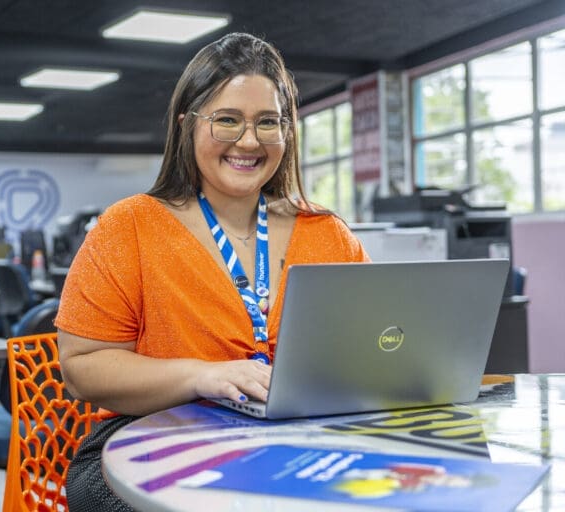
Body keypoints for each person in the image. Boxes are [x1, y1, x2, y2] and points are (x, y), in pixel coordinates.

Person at [54, 33, 370, 511]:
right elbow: (82, 370)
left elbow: (376, 342)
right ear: (187, 126)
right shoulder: (129, 226)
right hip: (151, 434)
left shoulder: (327, 232)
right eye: (227, 120)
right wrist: (203, 375)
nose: (248, 141)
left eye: (269, 123)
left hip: (302, 431)